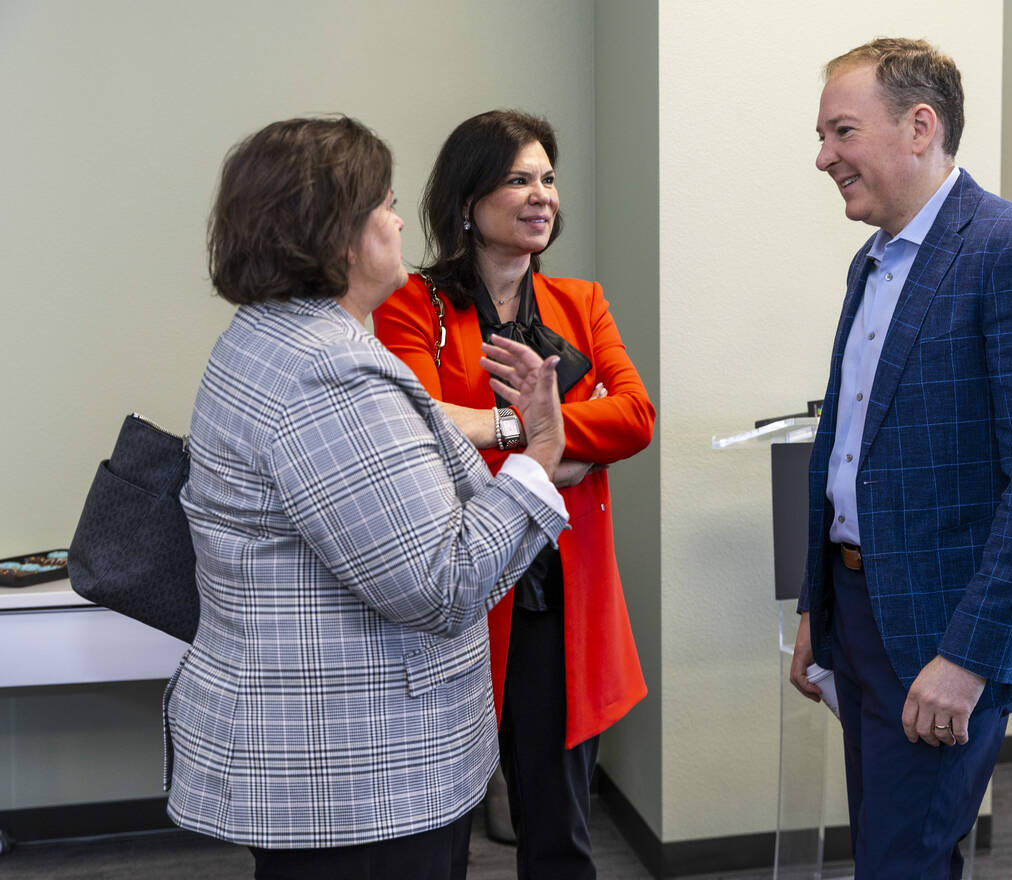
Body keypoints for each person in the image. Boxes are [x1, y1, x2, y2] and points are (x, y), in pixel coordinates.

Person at [166, 116, 570, 880]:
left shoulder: (270, 336)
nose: (398, 220)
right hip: (360, 780)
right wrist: (538, 459)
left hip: (327, 767)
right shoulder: (328, 373)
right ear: (338, 236)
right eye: (384, 204)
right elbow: (441, 583)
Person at [788, 39, 1012, 878]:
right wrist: (815, 609)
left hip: (944, 628)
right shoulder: (874, 262)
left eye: (842, 131)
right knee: (894, 855)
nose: (823, 157)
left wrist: (969, 657)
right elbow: (847, 446)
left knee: (903, 864)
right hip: (858, 613)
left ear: (920, 126)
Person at [373, 109, 655, 879]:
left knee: (559, 825)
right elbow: (418, 432)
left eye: (549, 179)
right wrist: (534, 440)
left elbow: (635, 418)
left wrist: (523, 436)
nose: (541, 196)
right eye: (518, 179)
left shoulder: (581, 304)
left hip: (560, 598)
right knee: (438, 831)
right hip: (458, 594)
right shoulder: (413, 306)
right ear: (468, 200)